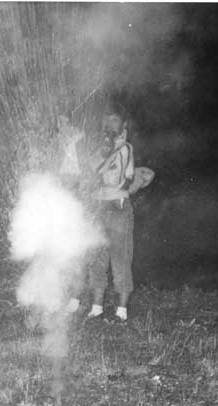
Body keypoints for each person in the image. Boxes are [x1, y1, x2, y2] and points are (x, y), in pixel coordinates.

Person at [82, 107, 136, 322]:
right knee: (97, 257)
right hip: (99, 206)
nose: (109, 124)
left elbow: (114, 179)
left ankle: (121, 313)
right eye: (107, 120)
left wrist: (105, 155)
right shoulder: (104, 147)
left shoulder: (125, 148)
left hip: (117, 207)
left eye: (115, 120)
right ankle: (96, 309)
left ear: (124, 126)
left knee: (121, 258)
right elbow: (90, 172)